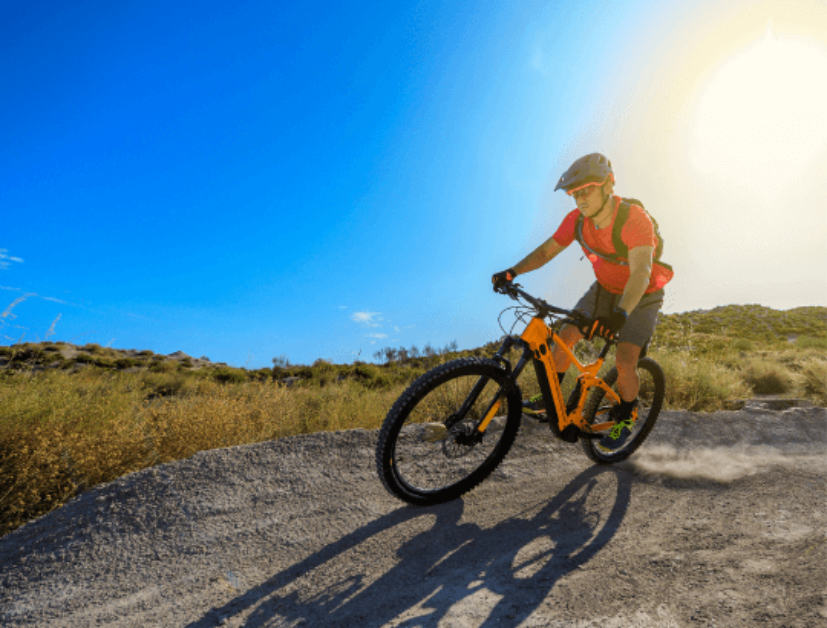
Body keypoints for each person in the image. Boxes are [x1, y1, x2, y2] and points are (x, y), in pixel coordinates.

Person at [491, 153, 674, 449]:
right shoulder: (576, 222)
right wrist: (512, 272)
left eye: (586, 189)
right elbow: (546, 252)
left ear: (608, 185)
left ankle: (626, 416)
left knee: (626, 358)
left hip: (643, 294)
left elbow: (641, 272)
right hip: (604, 288)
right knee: (566, 334)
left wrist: (620, 316)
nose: (580, 199)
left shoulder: (634, 219)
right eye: (574, 193)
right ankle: (549, 400)